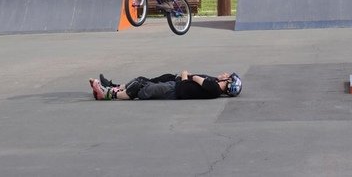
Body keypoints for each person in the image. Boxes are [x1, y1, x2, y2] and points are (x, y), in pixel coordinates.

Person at [89, 71, 242, 101]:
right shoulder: (214, 86)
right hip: (174, 86)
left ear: (228, 83)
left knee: (141, 88)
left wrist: (184, 75)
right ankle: (111, 88)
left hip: (174, 90)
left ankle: (107, 94)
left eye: (228, 76)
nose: (225, 74)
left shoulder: (213, 88)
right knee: (142, 81)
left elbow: (195, 79)